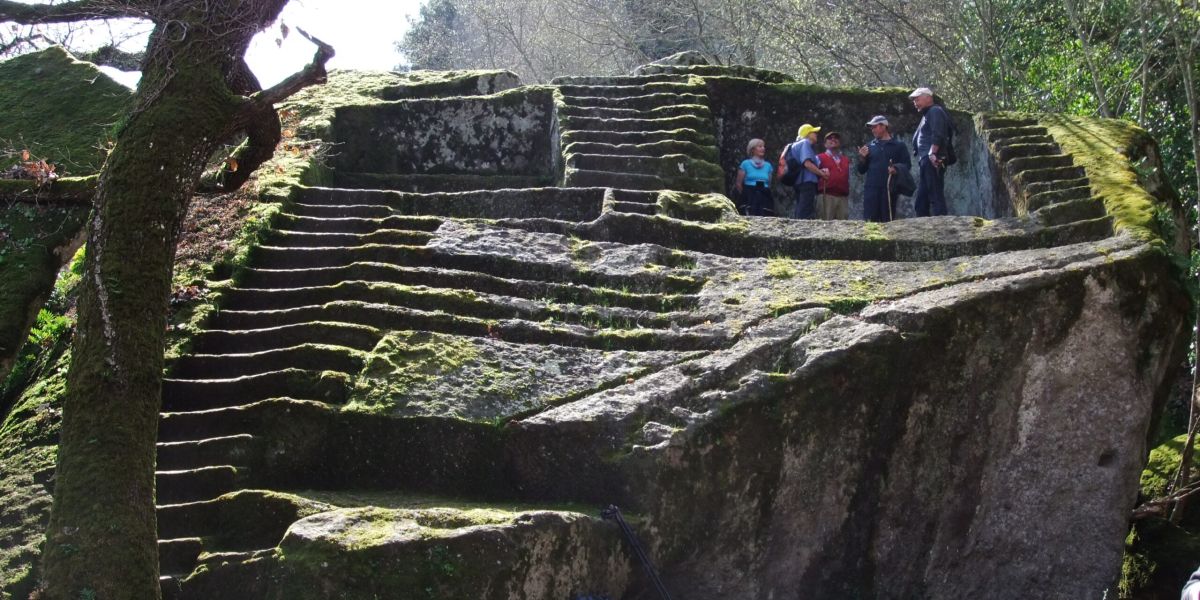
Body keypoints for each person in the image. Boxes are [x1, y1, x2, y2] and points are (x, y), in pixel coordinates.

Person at [856, 115, 910, 223]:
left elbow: (907, 165)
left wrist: (896, 169)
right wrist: (862, 158)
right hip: (871, 189)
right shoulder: (869, 146)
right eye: (871, 128)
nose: (872, 130)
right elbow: (861, 170)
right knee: (870, 221)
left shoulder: (899, 146)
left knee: (888, 220)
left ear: (884, 126)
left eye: (874, 127)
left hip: (889, 189)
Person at [910, 86, 951, 216]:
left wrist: (933, 152)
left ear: (928, 98)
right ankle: (924, 231)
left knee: (935, 195)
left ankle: (943, 227)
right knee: (921, 202)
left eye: (917, 99)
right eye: (914, 100)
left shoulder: (935, 111)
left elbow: (938, 133)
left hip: (933, 159)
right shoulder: (926, 115)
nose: (915, 103)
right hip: (926, 161)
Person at [788, 123, 829, 219]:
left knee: (801, 206)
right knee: (806, 209)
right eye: (813, 132)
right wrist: (821, 174)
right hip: (806, 181)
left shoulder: (796, 145)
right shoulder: (805, 143)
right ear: (807, 134)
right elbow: (807, 164)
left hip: (798, 181)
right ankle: (803, 230)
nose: (816, 134)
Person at [815, 131, 850, 220]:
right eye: (830, 138)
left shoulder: (845, 160)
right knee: (825, 224)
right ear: (825, 144)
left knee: (844, 226)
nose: (833, 139)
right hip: (826, 195)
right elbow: (812, 173)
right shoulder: (819, 157)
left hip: (842, 197)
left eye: (836, 138)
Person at [735, 138, 774, 216]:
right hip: (749, 194)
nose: (763, 148)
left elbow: (769, 184)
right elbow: (738, 184)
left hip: (764, 194)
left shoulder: (768, 165)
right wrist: (745, 195)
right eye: (760, 146)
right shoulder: (745, 164)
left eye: (763, 146)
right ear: (752, 149)